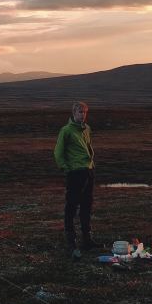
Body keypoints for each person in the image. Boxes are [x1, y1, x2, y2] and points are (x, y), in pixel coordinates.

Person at [53, 101, 97, 259]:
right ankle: (71, 242)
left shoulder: (87, 129)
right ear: (73, 113)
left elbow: (88, 146)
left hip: (88, 171)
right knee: (71, 206)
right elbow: (58, 152)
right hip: (75, 173)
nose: (82, 115)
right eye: (80, 112)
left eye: (84, 112)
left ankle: (87, 239)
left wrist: (91, 165)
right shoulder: (66, 130)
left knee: (87, 205)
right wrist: (66, 168)